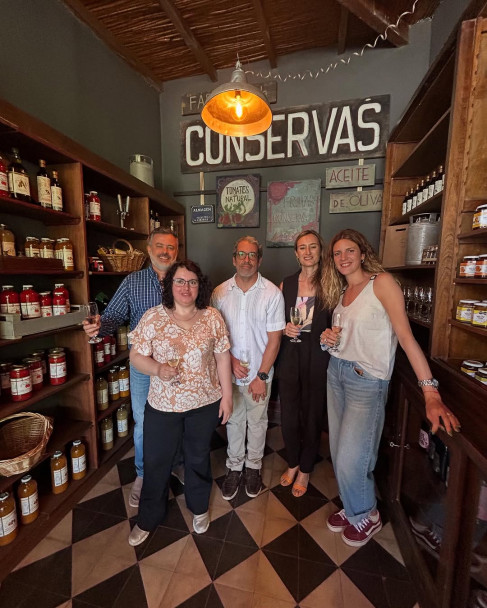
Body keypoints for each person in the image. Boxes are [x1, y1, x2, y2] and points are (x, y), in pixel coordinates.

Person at [320, 229, 461, 548]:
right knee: (338, 450)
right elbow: (347, 339)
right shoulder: (344, 293)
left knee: (352, 457)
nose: (343, 257)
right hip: (337, 372)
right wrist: (330, 340)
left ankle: (367, 515)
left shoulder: (380, 283)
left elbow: (406, 338)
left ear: (362, 251)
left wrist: (431, 393)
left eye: (349, 250)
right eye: (337, 253)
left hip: (366, 381)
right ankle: (353, 507)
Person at [127, 260, 232, 546]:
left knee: (198, 457)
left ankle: (198, 508)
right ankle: (148, 518)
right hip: (163, 405)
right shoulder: (153, 317)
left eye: (192, 282)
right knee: (156, 461)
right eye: (180, 281)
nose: (186, 287)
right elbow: (136, 357)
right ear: (170, 285)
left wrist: (227, 396)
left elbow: (223, 357)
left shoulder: (213, 317)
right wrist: (157, 369)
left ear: (201, 286)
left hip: (204, 402)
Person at [82, 227, 179, 508]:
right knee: (145, 422)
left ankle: (176, 464)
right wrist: (97, 328)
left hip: (178, 365)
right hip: (144, 366)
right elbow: (111, 318)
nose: (165, 252)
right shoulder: (132, 282)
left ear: (177, 252)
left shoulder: (185, 280)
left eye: (171, 247)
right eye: (159, 246)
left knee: (178, 419)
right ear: (149, 250)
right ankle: (143, 473)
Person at [211, 236, 285, 500]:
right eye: (241, 254)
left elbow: (275, 339)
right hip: (229, 370)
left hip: (260, 370)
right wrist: (229, 360)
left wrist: (261, 376)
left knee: (257, 421)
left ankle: (253, 467)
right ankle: (234, 467)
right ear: (234, 259)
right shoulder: (219, 293)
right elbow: (216, 336)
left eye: (252, 255)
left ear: (259, 259)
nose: (246, 260)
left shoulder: (272, 294)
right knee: (233, 419)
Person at [277, 230, 330, 497]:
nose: (307, 252)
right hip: (290, 354)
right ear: (295, 253)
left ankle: (306, 468)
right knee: (288, 413)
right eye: (302, 247)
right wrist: (284, 328)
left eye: (312, 246)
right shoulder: (286, 283)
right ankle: (293, 462)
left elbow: (341, 319)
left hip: (318, 354)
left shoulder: (332, 283)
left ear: (320, 250)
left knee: (312, 413)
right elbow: (274, 321)